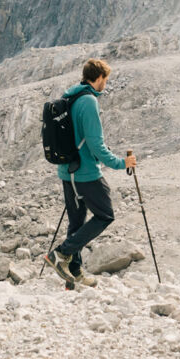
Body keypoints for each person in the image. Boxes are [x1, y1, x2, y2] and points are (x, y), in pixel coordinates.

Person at [44, 58, 136, 285]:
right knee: (105, 215)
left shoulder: (70, 96)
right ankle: (61, 253)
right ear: (99, 78)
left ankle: (74, 275)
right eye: (106, 79)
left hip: (67, 172)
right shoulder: (88, 102)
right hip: (85, 173)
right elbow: (96, 144)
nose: (106, 83)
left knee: (76, 224)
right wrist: (121, 163)